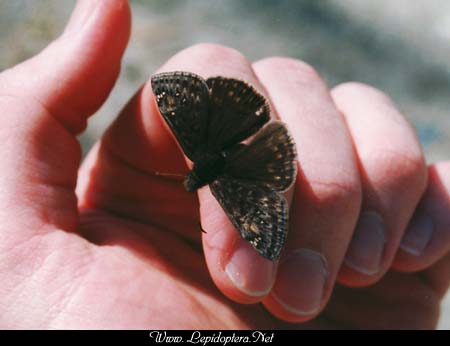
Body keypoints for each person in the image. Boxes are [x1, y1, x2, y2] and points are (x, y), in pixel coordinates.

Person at [0, 0, 448, 329]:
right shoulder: (215, 182)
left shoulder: (215, 183)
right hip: (235, 135)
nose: (193, 183)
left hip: (238, 153)